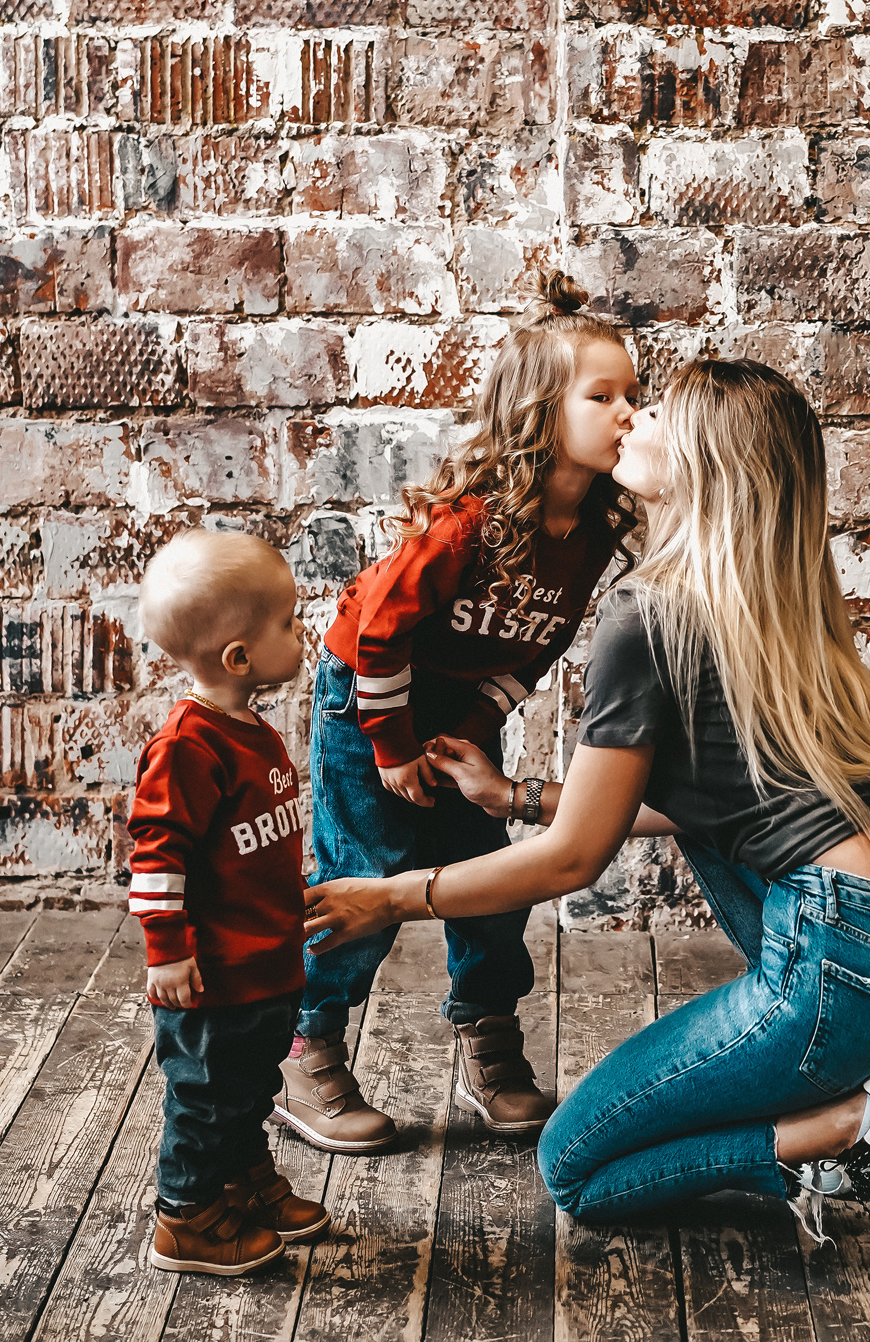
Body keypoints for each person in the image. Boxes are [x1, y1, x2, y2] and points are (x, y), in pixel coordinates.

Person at [303, 359, 870, 1279]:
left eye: (657, 409)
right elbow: (726, 797)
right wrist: (516, 798)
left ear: (705, 458)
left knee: (579, 1168)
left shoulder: (647, 607)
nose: (632, 419)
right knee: (729, 854)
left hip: (853, 962)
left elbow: (567, 864)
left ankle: (869, 1121)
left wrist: (389, 897)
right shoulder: (786, 600)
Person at [276, 272, 639, 1152]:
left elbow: (537, 648)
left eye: (635, 394)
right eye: (603, 396)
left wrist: (479, 727)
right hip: (367, 701)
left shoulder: (592, 531)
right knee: (366, 874)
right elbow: (377, 637)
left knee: (490, 881)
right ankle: (303, 1043)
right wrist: (393, 745)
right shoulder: (466, 526)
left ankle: (489, 1032)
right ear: (538, 415)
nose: (628, 412)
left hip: (454, 715)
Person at [129, 528, 328, 1278]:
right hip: (212, 975)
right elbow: (155, 854)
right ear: (238, 657)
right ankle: (185, 1216)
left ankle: (241, 1181)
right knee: (206, 1097)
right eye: (286, 622)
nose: (300, 632)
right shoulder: (188, 745)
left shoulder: (248, 728)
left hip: (264, 963)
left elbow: (247, 844)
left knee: (249, 1086)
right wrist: (167, 950)